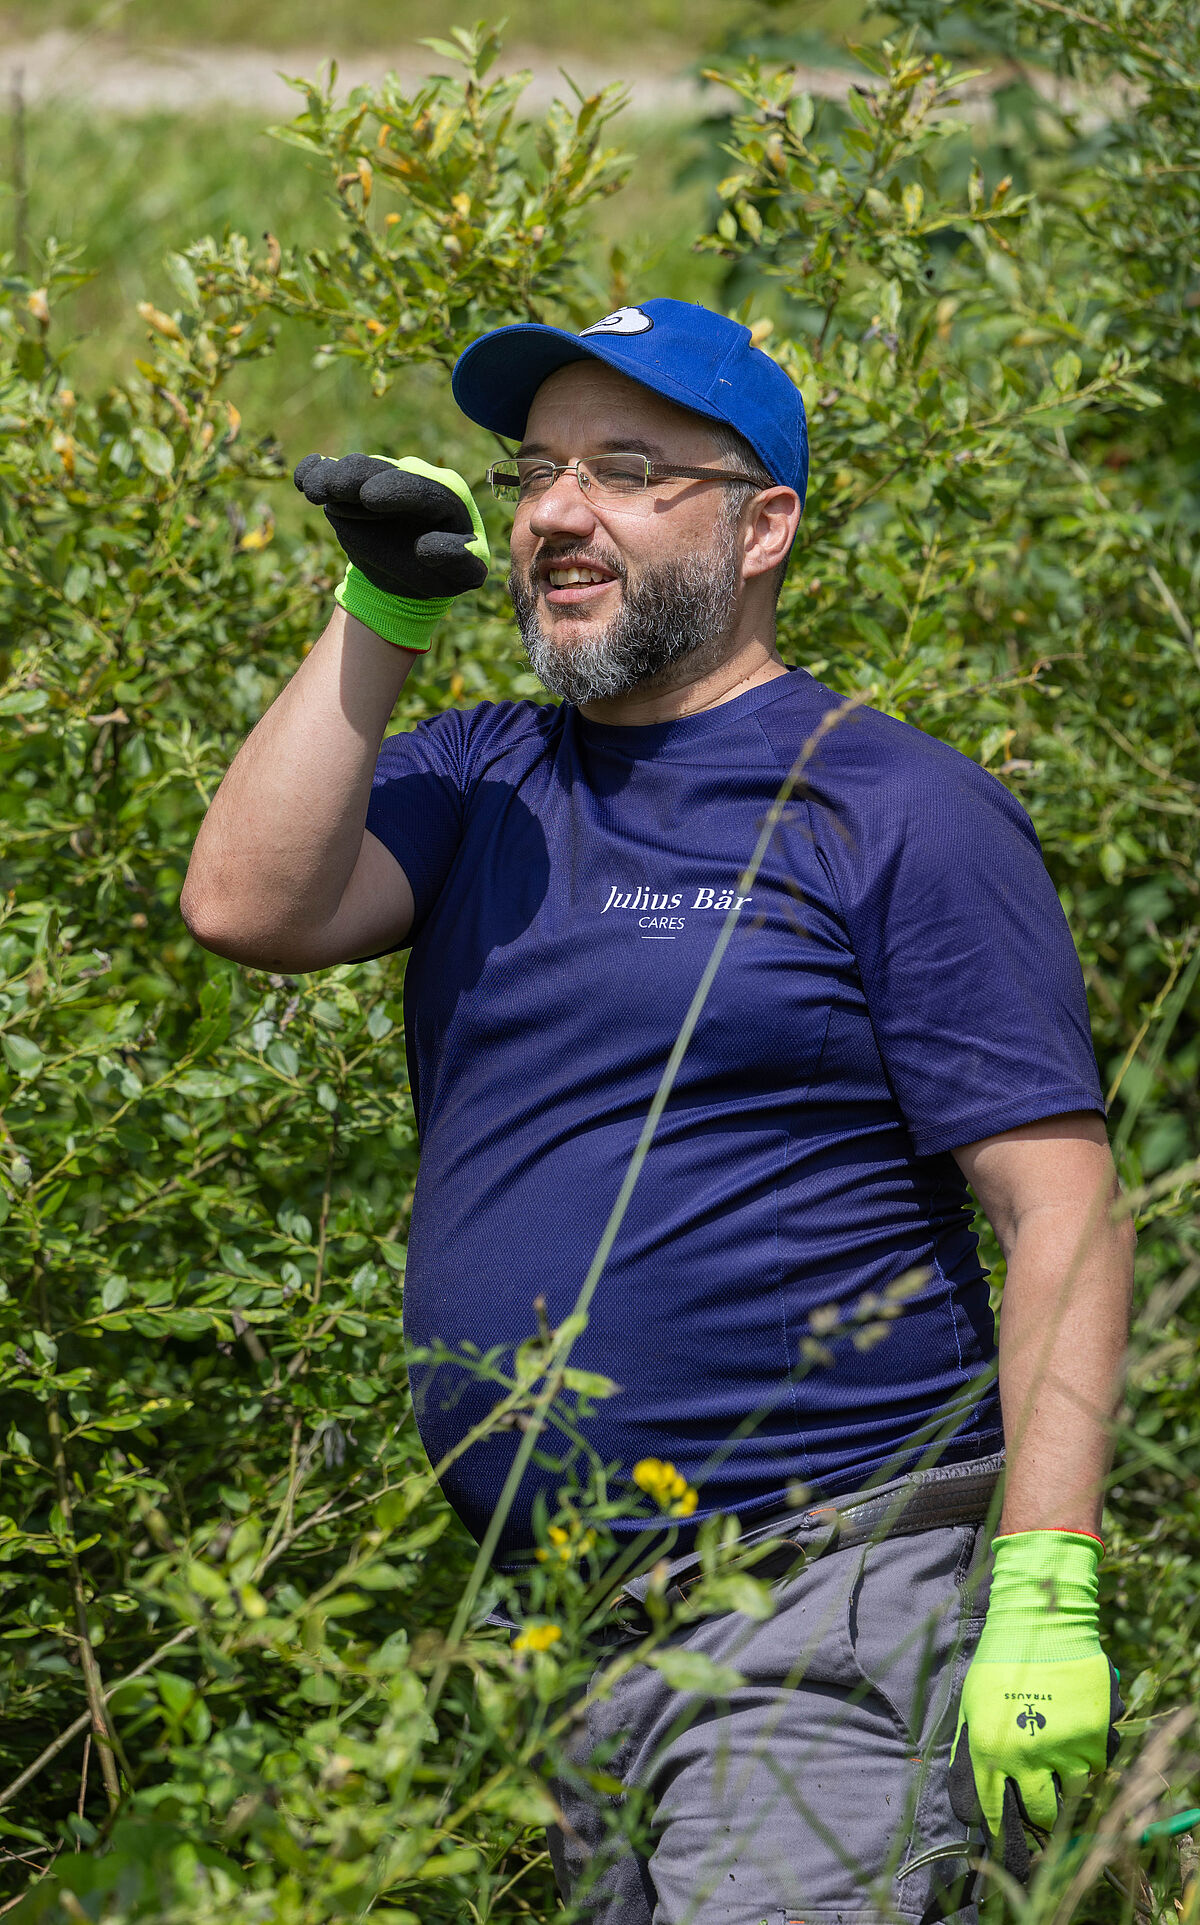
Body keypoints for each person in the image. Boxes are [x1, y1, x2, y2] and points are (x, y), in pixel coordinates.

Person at [181, 299, 1134, 1924]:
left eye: (627, 469)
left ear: (763, 525)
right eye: (540, 468)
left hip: (827, 1606)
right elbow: (245, 903)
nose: (557, 512)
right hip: (564, 1631)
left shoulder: (889, 804)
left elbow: (1066, 1210)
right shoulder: (487, 775)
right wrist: (381, 609)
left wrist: (1051, 1586)